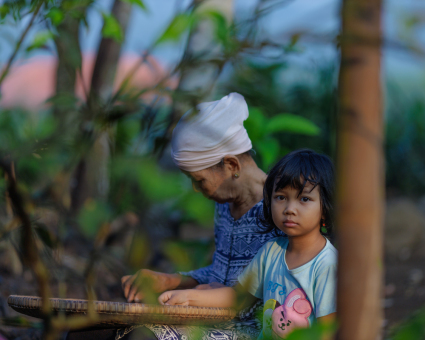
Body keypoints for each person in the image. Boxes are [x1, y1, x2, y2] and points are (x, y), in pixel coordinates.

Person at [157, 149, 337, 339]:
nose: (289, 209)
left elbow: (328, 331)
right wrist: (188, 297)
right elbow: (239, 297)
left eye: (304, 199)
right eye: (281, 197)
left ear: (325, 208)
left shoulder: (327, 264)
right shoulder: (271, 251)